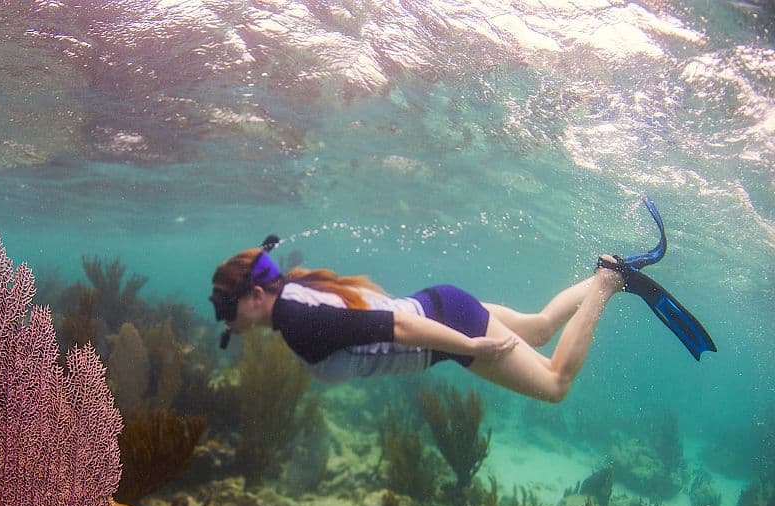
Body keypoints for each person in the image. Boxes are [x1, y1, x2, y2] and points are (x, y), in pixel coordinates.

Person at [208, 198, 714, 403]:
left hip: (445, 327)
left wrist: (470, 345)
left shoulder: (296, 319)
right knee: (538, 328)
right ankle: (610, 271)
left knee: (555, 383)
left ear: (255, 295)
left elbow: (396, 329)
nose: (226, 319)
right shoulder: (297, 290)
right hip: (443, 306)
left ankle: (607, 282)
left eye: (225, 307)